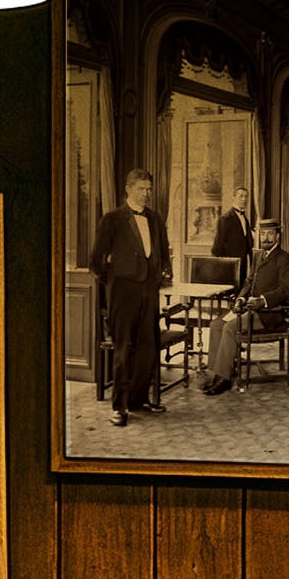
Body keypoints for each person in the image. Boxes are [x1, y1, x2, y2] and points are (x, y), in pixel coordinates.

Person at [88, 168, 172, 426]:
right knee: (123, 350)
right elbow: (95, 261)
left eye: (148, 189)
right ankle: (119, 407)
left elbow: (163, 252)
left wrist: (160, 273)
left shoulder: (155, 219)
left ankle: (138, 400)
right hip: (122, 293)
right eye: (141, 189)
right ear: (128, 189)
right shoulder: (112, 219)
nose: (146, 194)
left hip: (149, 290)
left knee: (147, 348)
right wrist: (113, 280)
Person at [199, 218, 289, 391]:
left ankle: (224, 379)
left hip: (270, 314)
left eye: (270, 234)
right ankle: (215, 372)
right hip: (250, 309)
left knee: (230, 327)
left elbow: (285, 291)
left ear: (278, 236)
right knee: (216, 324)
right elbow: (249, 282)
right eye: (263, 234)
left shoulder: (284, 259)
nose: (266, 238)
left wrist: (262, 300)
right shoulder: (259, 255)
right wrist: (241, 298)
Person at [209, 187, 254, 277]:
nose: (244, 199)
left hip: (244, 263)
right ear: (234, 198)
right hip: (230, 265)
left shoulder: (245, 219)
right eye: (240, 196)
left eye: (246, 196)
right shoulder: (225, 219)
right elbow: (217, 246)